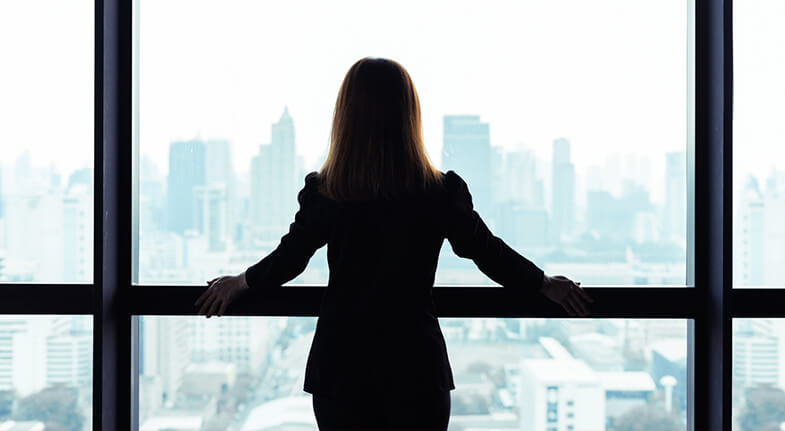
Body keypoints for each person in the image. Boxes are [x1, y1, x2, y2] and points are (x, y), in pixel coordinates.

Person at [194, 57, 594, 431]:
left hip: (343, 371)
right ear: (410, 115)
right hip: (416, 370)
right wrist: (544, 284)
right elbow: (487, 252)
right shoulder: (439, 192)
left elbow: (290, 259)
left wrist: (240, 283)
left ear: (345, 117)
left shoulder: (328, 192)